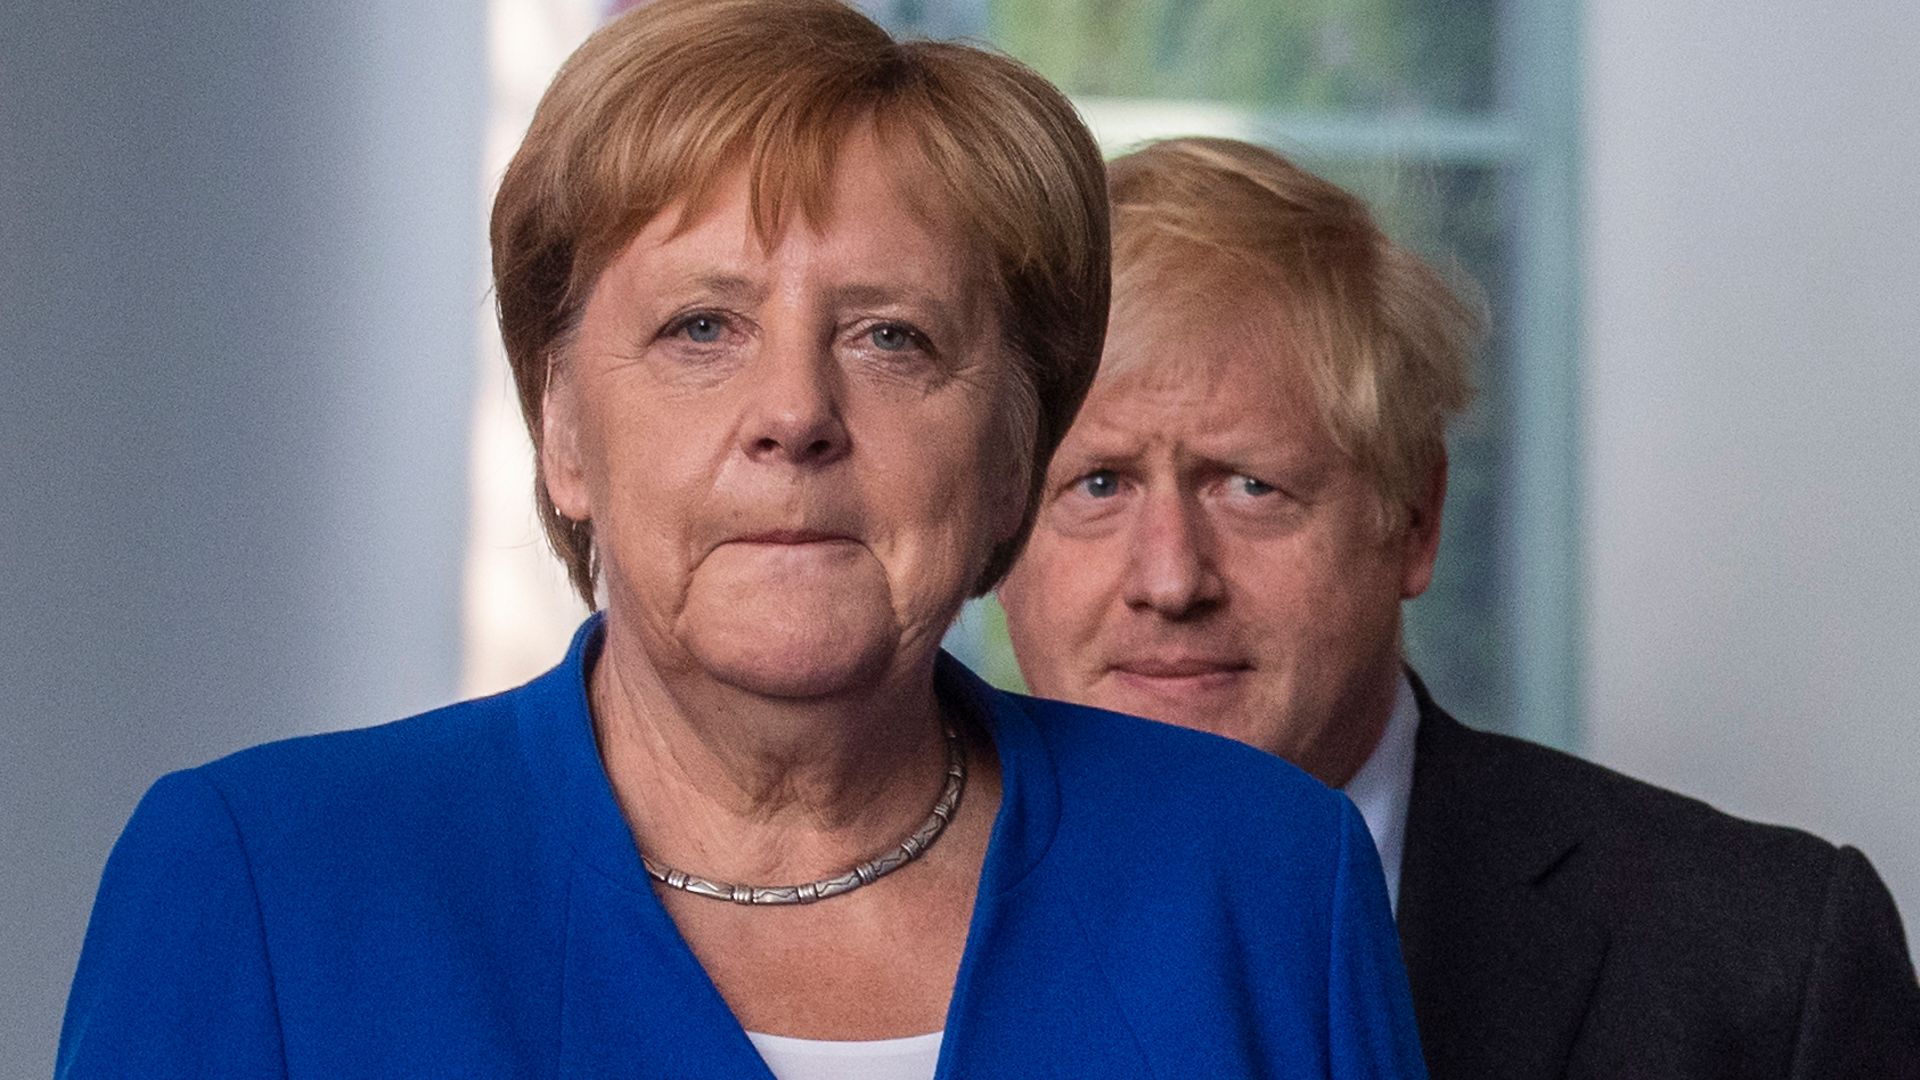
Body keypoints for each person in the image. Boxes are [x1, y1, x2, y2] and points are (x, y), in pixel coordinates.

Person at [58, 9, 1428, 1078]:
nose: (794, 413)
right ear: (565, 433)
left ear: (1016, 449)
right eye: (700, 327)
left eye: (892, 336)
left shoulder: (1262, 880)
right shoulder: (265, 883)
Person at [999, 135, 1920, 1079]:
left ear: (1416, 518)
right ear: (996, 529)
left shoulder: (1767, 962)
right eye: (1098, 483)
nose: (1170, 580)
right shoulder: (859, 947)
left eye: (1249, 486)